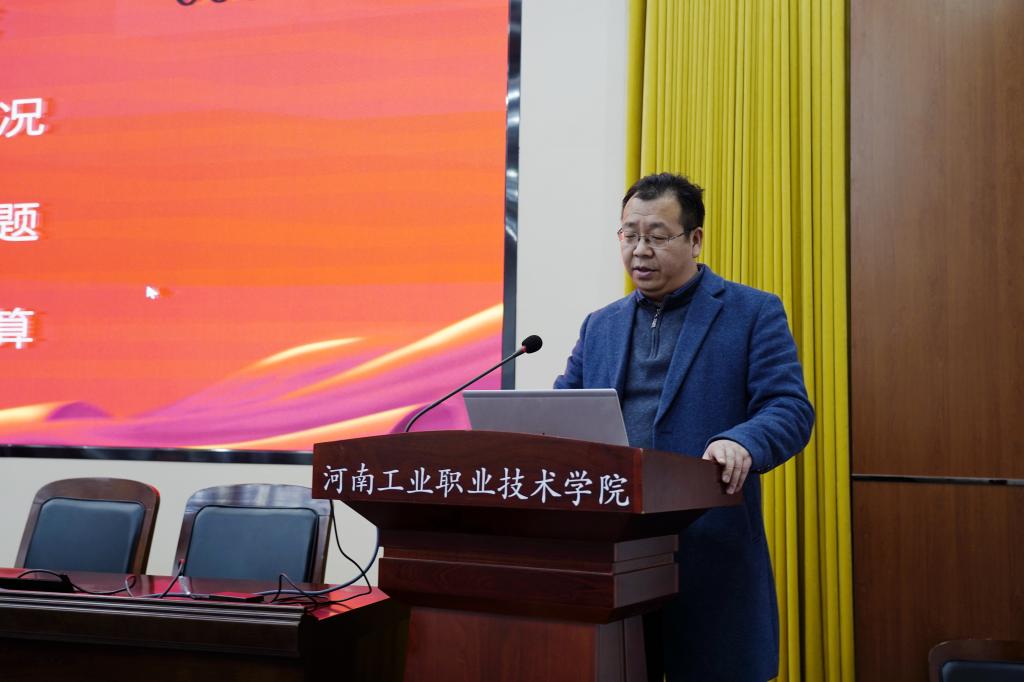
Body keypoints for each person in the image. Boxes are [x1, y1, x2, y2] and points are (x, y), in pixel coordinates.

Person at [554, 173, 814, 681]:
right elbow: (564, 408)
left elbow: (789, 408)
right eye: (629, 235)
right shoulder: (601, 325)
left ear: (695, 240)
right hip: (614, 556)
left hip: (707, 550)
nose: (639, 250)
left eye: (656, 236)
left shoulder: (752, 312)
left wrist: (741, 440)